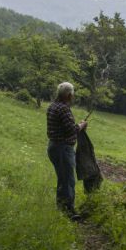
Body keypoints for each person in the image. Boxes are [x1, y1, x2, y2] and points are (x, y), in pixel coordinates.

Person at [46, 82, 88, 219]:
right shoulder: (63, 109)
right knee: (68, 180)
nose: (73, 97)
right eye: (72, 94)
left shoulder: (52, 106)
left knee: (62, 179)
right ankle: (69, 212)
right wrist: (81, 126)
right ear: (69, 95)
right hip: (63, 149)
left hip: (54, 147)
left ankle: (61, 207)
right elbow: (71, 130)